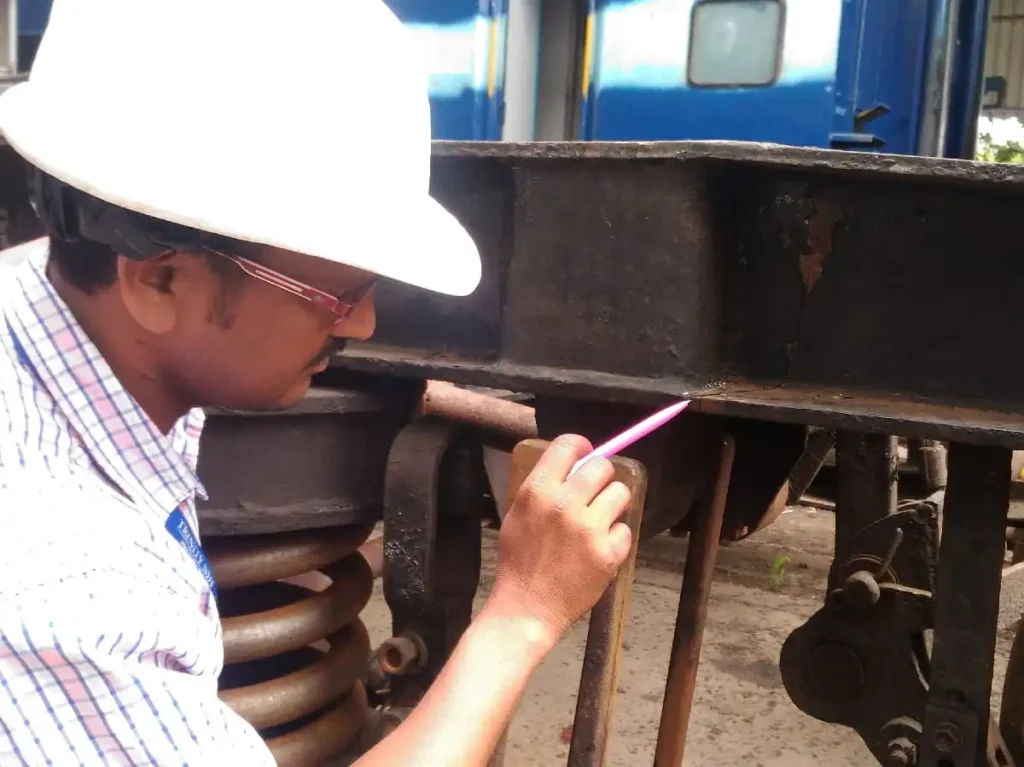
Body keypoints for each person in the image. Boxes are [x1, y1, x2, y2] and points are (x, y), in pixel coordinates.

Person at [0, 1, 634, 765]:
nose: (363, 322)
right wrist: (525, 610)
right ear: (162, 279)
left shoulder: (45, 300)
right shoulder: (59, 595)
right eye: (337, 295)